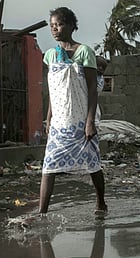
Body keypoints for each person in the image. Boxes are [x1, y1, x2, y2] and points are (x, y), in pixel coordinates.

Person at [39, 7, 107, 217]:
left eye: (58, 24)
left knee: (92, 165)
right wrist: (49, 118)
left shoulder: (84, 52)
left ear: (70, 25)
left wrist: (90, 122)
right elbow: (54, 90)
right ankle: (42, 212)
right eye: (52, 26)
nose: (55, 29)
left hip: (80, 121)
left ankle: (100, 202)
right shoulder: (50, 55)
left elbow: (92, 90)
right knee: (48, 166)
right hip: (60, 122)